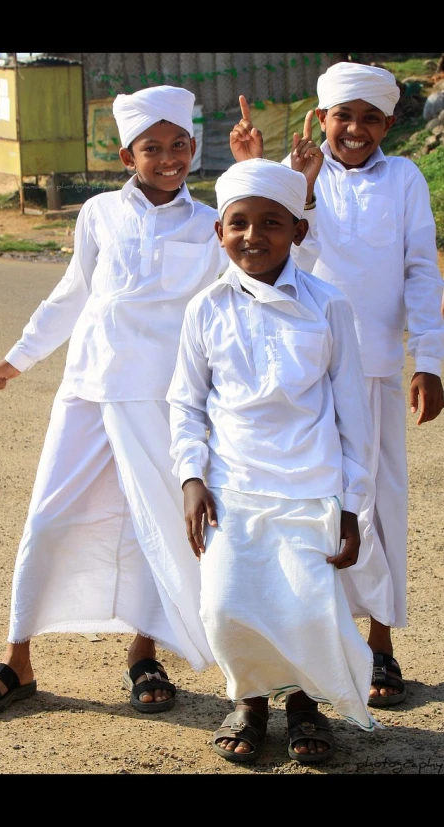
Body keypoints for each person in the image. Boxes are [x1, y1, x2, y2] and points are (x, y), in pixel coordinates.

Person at [0, 86, 263, 719]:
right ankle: (18, 660)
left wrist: (251, 170)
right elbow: (74, 291)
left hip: (163, 399)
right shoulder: (98, 211)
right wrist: (19, 358)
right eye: (152, 148)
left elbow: (254, 281)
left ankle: (143, 653)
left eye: (179, 144)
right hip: (88, 392)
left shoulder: (211, 221)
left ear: (193, 147)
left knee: (157, 528)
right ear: (128, 155)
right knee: (47, 518)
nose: (169, 158)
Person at [166, 157, 380, 764]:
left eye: (271, 223)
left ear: (299, 232)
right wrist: (191, 478)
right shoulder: (204, 308)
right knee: (226, 603)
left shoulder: (329, 305)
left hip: (311, 486)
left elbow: (351, 417)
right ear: (219, 232)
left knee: (304, 606)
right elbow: (185, 402)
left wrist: (351, 506)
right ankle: (251, 699)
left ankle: (304, 706)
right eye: (238, 223)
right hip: (232, 484)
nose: (253, 236)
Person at [281, 61, 444, 707]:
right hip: (304, 371)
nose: (354, 129)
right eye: (341, 116)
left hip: (375, 368)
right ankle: (310, 643)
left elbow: (418, 269)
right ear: (320, 118)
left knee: (377, 507)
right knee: (307, 506)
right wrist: (303, 189)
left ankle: (379, 643)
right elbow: (274, 259)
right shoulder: (293, 175)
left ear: (388, 122)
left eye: (368, 117)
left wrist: (428, 358)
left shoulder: (401, 177)